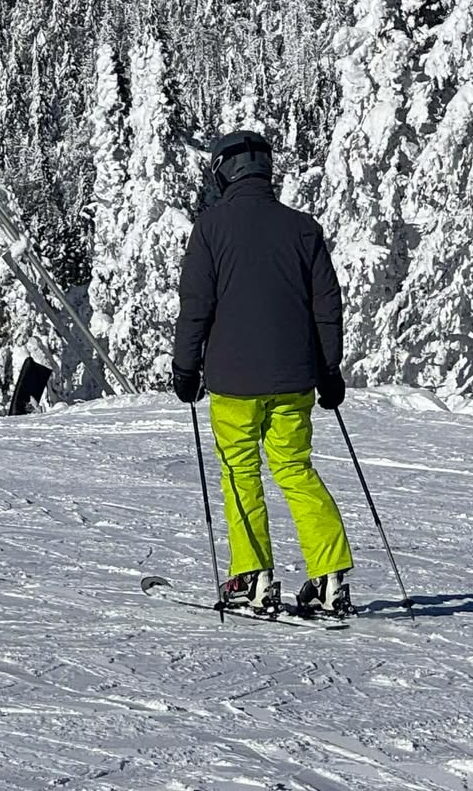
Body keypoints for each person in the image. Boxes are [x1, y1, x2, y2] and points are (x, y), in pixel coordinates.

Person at [171, 129, 355, 618]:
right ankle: (329, 576)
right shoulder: (303, 228)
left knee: (240, 472)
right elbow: (327, 307)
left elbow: (196, 305)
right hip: (295, 380)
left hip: (233, 382)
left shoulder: (211, 228)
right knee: (295, 470)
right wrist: (329, 369)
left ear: (222, 172)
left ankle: (253, 576)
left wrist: (186, 367)